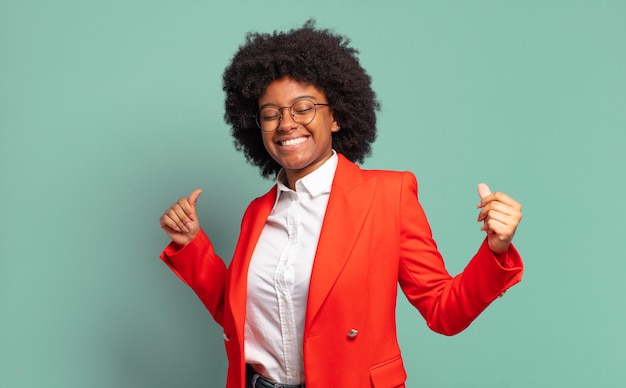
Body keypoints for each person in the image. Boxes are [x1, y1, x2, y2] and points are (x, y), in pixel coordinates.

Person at [158, 20, 523, 388]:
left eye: (303, 107)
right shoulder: (258, 212)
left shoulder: (387, 196)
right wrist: (191, 245)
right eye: (271, 114)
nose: (286, 123)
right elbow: (242, 317)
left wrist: (496, 251)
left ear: (335, 116)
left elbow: (445, 312)